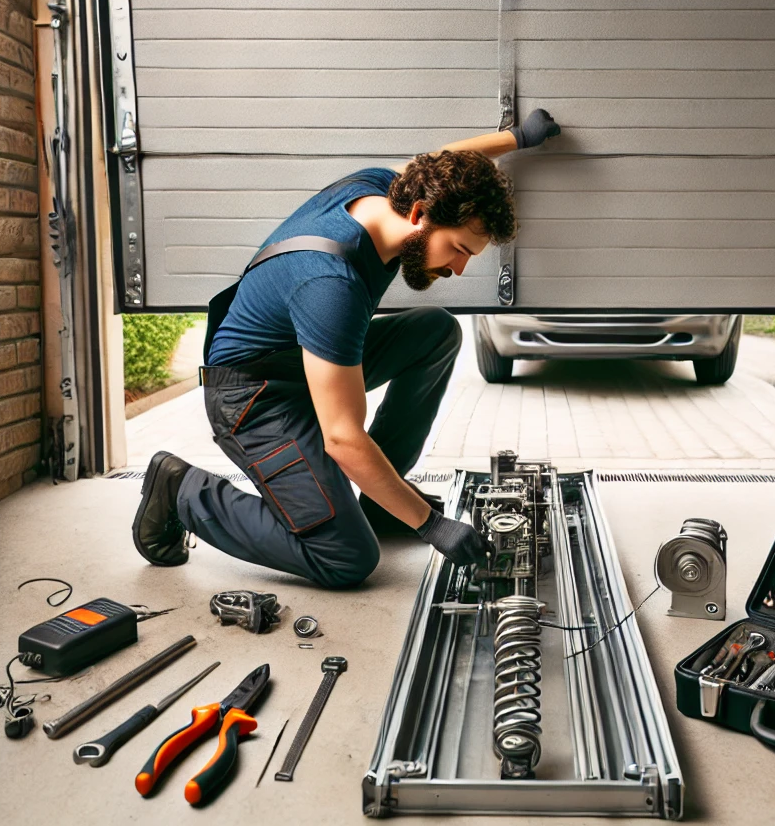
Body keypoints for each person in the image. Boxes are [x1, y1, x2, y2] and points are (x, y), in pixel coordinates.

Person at [131, 110, 561, 587]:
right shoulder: (331, 285)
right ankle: (181, 491)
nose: (458, 268)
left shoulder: (382, 190)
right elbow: (341, 437)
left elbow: (447, 162)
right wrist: (430, 523)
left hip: (302, 362)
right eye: (458, 249)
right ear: (420, 216)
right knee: (346, 557)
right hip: (253, 400)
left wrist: (516, 138)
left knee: (436, 331)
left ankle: (382, 500)